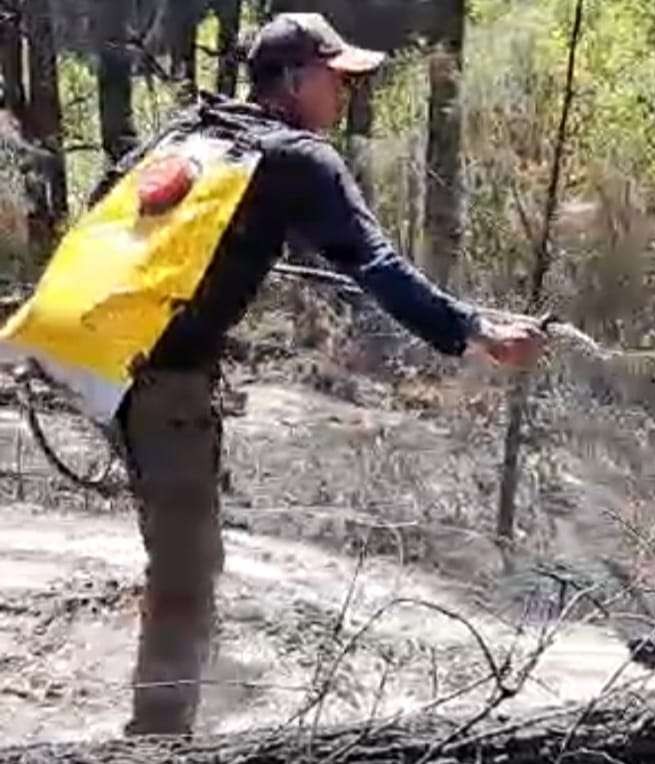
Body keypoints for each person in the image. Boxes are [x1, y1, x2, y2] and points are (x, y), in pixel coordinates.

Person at [94, 12, 547, 736]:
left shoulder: (195, 132)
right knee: (188, 563)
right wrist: (473, 331)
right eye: (337, 80)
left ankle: (167, 717)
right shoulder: (300, 159)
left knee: (179, 550)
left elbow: (104, 213)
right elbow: (376, 265)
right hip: (165, 382)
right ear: (297, 80)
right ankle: (157, 739)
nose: (345, 97)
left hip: (105, 365)